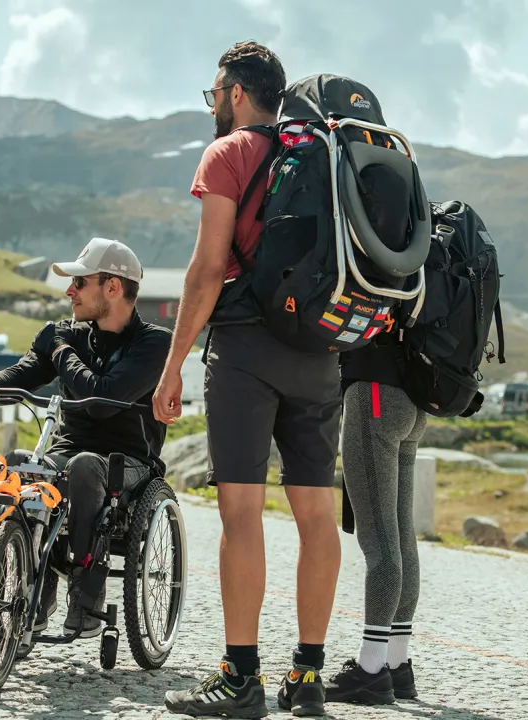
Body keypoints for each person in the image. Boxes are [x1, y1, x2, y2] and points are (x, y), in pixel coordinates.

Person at [156, 41, 341, 719]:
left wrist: (174, 364)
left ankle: (240, 678)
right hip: (321, 351)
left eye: (214, 95)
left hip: (245, 348)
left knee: (241, 509)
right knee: (317, 513)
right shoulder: (324, 157)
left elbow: (208, 269)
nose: (214, 107)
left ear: (236, 92)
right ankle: (310, 676)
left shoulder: (230, 152)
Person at [0, 237, 171, 636]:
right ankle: (33, 590)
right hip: (70, 451)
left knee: (86, 467)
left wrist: (61, 352)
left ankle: (87, 602)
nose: (69, 291)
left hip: (131, 461)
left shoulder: (155, 344)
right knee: (20, 464)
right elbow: (20, 375)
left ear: (113, 287)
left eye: (79, 282)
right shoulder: (68, 335)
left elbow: (101, 398)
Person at [324, 165, 426, 706]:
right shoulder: (415, 245)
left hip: (374, 396)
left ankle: (368, 670)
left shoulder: (367, 249)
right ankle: (398, 663)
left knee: (378, 542)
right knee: (401, 535)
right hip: (413, 400)